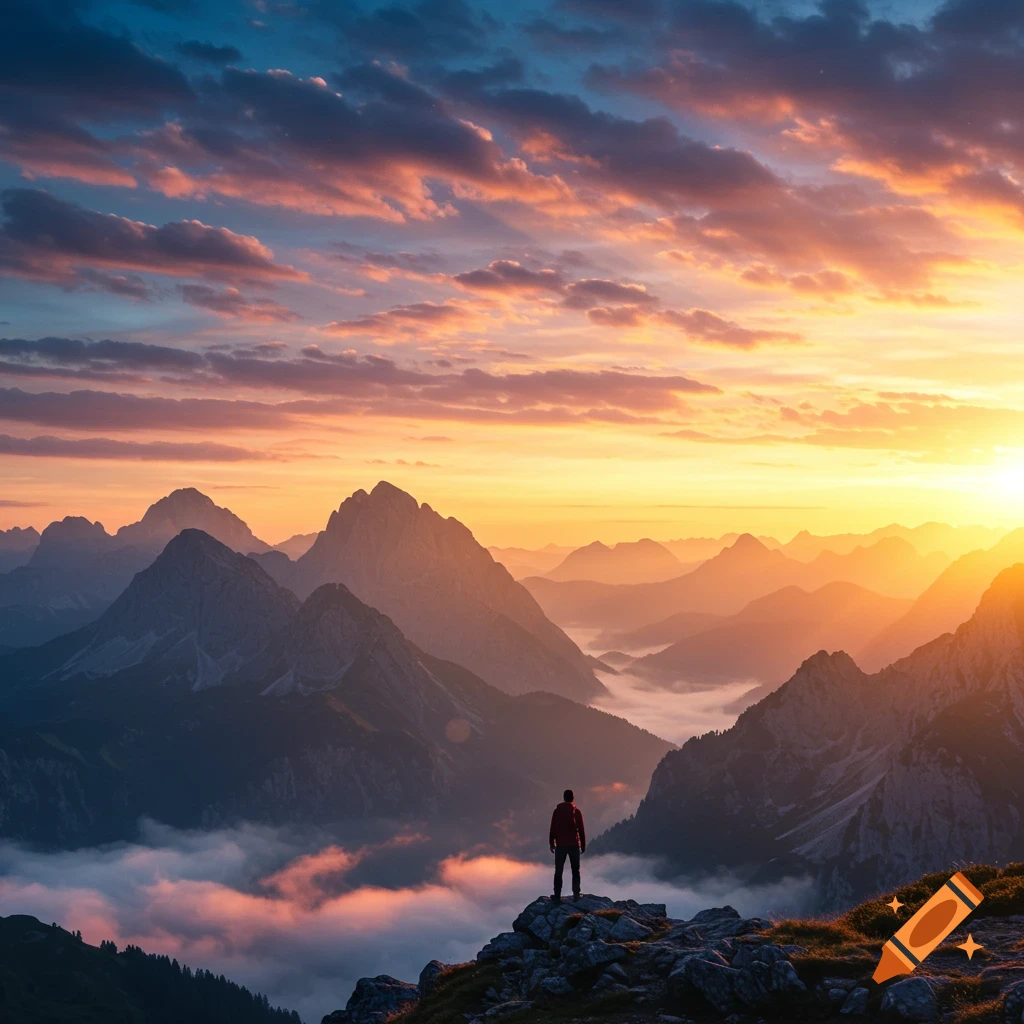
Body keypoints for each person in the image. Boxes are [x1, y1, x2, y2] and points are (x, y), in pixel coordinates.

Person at [549, 789, 585, 902]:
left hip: (560, 845)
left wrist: (551, 843)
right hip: (574, 845)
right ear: (572, 798)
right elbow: (581, 829)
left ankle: (557, 896)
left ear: (564, 798)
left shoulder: (557, 811)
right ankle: (576, 894)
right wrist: (583, 845)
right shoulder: (576, 812)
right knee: (575, 870)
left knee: (558, 871)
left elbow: (553, 828)